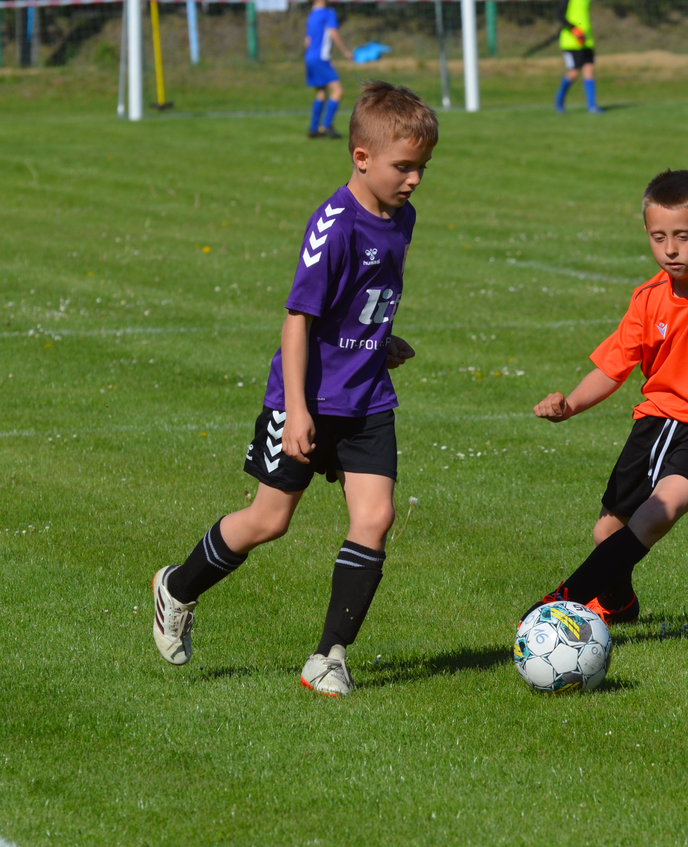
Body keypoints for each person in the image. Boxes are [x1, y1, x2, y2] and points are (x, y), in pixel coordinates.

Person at [151, 82, 438, 697]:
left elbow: (359, 300)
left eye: (422, 167)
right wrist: (299, 409)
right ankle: (176, 587)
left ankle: (328, 657)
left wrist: (380, 340)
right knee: (268, 520)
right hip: (306, 399)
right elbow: (298, 320)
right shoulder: (334, 226)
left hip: (368, 398)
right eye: (404, 167)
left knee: (376, 517)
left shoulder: (402, 218)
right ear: (362, 157)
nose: (415, 180)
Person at [523, 169, 688, 626]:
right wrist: (568, 406)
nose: (670, 249)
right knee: (606, 532)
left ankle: (560, 604)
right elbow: (612, 367)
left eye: (683, 236)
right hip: (656, 424)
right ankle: (618, 605)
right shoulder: (648, 298)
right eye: (658, 237)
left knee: (658, 511)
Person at [305, 0, 354, 139]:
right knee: (338, 91)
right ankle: (326, 126)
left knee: (321, 92)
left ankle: (313, 128)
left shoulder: (312, 15)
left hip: (310, 57)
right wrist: (345, 52)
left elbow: (307, 41)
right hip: (320, 58)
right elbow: (333, 33)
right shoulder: (328, 13)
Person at [555, 0, 602, 114]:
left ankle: (592, 106)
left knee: (589, 71)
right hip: (571, 42)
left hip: (586, 41)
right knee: (573, 74)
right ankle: (559, 98)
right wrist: (574, 29)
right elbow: (559, 14)